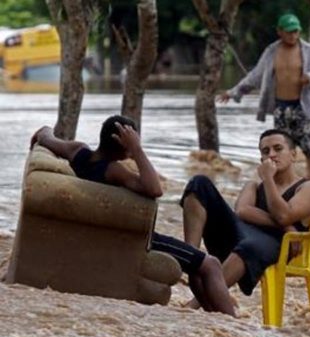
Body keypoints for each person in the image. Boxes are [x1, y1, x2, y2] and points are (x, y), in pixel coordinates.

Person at [30, 116, 236, 316]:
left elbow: (46, 136)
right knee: (211, 264)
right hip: (133, 240)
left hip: (105, 235)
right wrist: (137, 149)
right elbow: (155, 189)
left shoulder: (77, 151)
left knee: (197, 265)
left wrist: (43, 132)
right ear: (123, 143)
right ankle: (233, 324)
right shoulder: (113, 170)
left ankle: (215, 318)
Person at [181, 129, 310, 300]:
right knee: (199, 184)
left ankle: (198, 303)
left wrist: (268, 179)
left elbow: (283, 214)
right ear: (261, 159)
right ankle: (191, 260)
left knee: (250, 245)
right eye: (265, 152)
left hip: (277, 245)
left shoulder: (309, 187)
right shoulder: (254, 186)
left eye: (278, 149)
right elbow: (242, 211)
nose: (271, 155)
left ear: (293, 155)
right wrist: (286, 226)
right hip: (241, 235)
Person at [218, 13, 310, 179]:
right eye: (289, 31)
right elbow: (255, 76)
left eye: (296, 32)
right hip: (281, 109)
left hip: (303, 108)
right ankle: (284, 182)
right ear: (280, 31)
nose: (293, 35)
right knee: (280, 148)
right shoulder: (271, 52)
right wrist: (233, 92)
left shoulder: (308, 50)